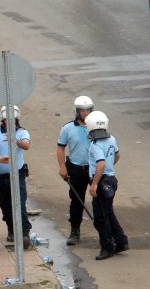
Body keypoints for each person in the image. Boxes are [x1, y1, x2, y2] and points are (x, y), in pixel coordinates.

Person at [0, 105, 32, 249]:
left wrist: (15, 140)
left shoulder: (22, 132)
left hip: (16, 175)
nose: (10, 121)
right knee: (5, 206)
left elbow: (26, 145)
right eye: (7, 119)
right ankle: (12, 229)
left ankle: (25, 233)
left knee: (19, 204)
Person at [85, 111, 128, 260]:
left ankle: (107, 247)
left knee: (100, 217)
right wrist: (109, 169)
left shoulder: (94, 145)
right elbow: (117, 155)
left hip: (101, 181)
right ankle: (121, 242)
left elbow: (100, 164)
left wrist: (94, 184)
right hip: (111, 180)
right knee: (108, 213)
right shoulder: (112, 139)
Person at [57, 96, 94, 245]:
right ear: (77, 111)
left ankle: (105, 230)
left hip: (93, 169)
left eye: (88, 110)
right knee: (77, 201)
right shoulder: (68, 128)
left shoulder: (96, 126)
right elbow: (60, 147)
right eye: (82, 110)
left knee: (100, 199)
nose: (85, 113)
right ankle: (75, 231)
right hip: (76, 169)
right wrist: (62, 167)